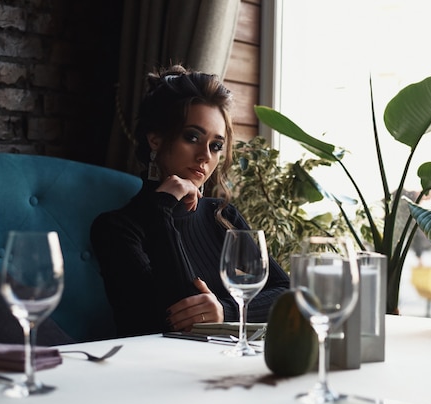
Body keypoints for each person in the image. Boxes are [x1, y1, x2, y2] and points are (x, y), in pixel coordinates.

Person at [90, 65, 290, 337]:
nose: (205, 156)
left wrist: (225, 311)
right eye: (192, 137)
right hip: (153, 371)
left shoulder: (220, 215)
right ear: (155, 139)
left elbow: (286, 293)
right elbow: (174, 320)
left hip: (224, 365)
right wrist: (160, 207)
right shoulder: (115, 228)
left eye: (216, 145)